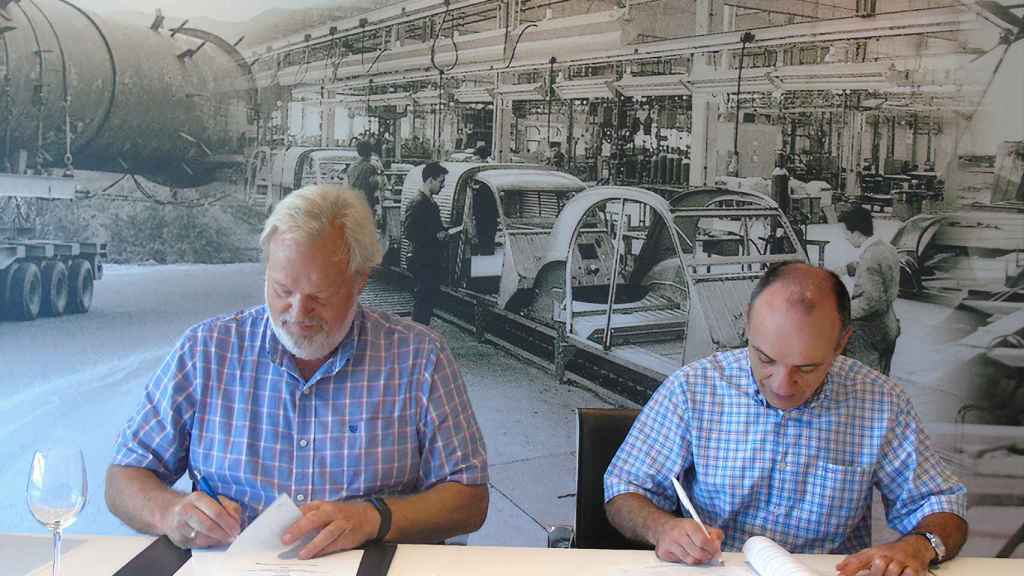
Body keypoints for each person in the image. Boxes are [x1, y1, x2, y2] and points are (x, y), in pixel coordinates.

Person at [106, 184, 488, 559]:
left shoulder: (419, 357)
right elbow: (124, 478)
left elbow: (469, 499)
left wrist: (376, 517)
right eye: (282, 289)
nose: (298, 313)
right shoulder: (206, 351)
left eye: (320, 296)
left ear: (360, 282)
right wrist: (171, 512)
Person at [604, 262, 967, 576]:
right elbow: (624, 490)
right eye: (765, 358)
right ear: (748, 325)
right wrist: (662, 528)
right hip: (712, 569)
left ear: (841, 342)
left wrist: (920, 546)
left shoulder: (880, 401)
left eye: (806, 367)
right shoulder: (693, 389)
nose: (782, 386)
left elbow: (940, 504)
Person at [840, 205, 901, 375]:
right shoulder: (887, 249)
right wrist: (844, 269)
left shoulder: (869, 258)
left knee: (864, 386)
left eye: (846, 232)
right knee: (882, 381)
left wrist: (839, 311)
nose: (845, 237)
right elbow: (875, 271)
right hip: (889, 326)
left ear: (857, 233)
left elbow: (870, 302)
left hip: (868, 334)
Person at [404, 162, 451, 325]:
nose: (443, 186)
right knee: (422, 302)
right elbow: (409, 233)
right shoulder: (418, 203)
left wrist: (443, 231)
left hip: (430, 261)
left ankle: (420, 334)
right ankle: (417, 336)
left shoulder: (430, 203)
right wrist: (436, 236)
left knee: (426, 301)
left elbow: (432, 227)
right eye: (441, 181)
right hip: (422, 260)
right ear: (430, 180)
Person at [346, 140, 382, 213]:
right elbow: (376, 187)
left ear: (358, 152)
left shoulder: (352, 167)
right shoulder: (370, 167)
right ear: (371, 152)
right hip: (366, 205)